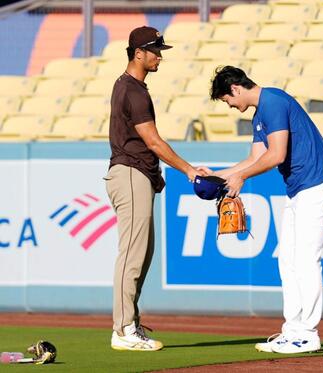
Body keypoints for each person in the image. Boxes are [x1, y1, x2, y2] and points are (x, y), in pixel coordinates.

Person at [201, 66, 323, 354]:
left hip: (317, 186)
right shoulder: (260, 112)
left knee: (307, 260)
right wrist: (217, 176)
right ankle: (293, 329)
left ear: (235, 89)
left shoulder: (272, 101)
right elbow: (254, 158)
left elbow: (277, 155)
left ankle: (307, 333)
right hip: (298, 190)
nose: (230, 106)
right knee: (287, 260)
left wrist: (242, 177)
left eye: (226, 100)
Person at [104, 26, 205, 351]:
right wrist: (188, 170)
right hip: (129, 174)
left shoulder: (133, 87)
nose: (159, 55)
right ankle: (122, 330)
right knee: (132, 254)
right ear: (138, 53)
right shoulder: (132, 90)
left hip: (137, 173)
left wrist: (154, 172)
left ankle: (129, 322)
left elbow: (146, 144)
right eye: (154, 50)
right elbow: (153, 142)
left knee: (142, 254)